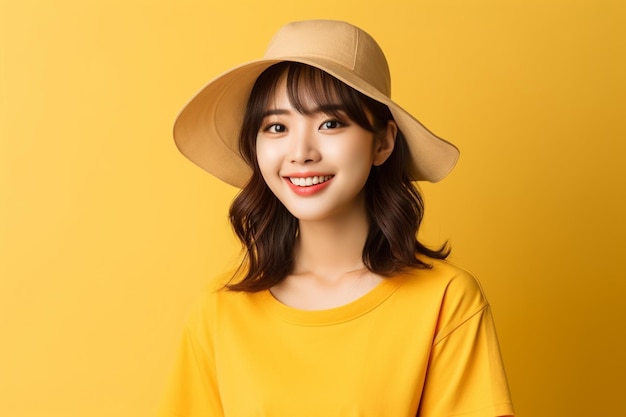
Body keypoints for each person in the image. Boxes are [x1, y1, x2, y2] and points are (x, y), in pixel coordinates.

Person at [160, 19, 515, 417]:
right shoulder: (219, 313)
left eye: (330, 123)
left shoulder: (446, 301)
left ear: (383, 142)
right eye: (277, 126)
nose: (301, 152)